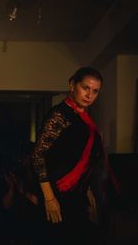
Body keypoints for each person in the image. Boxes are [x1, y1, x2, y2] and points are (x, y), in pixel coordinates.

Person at [31, 67, 110, 245]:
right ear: (72, 84)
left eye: (95, 91)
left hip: (77, 193)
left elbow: (80, 158)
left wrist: (87, 187)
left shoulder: (84, 119)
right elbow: (37, 155)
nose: (89, 95)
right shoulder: (60, 114)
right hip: (57, 192)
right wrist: (49, 198)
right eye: (85, 87)